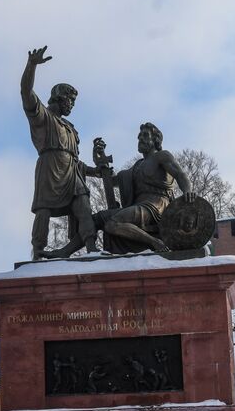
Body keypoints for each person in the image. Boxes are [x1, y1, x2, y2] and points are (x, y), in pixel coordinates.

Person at [21, 46, 100, 260]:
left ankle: (92, 247)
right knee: (43, 210)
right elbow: (26, 93)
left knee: (83, 204)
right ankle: (38, 252)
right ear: (58, 97)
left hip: (72, 173)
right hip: (50, 168)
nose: (72, 104)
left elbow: (78, 163)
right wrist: (32, 65)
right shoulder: (43, 117)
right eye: (70, 100)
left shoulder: (71, 129)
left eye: (74, 101)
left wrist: (97, 171)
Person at [96, 122, 196, 253]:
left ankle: (155, 242)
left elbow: (180, 174)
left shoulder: (162, 156)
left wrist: (187, 190)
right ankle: (75, 253)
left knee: (111, 224)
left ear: (155, 140)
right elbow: (113, 182)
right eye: (139, 136)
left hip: (156, 207)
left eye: (145, 135)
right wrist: (101, 165)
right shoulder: (137, 166)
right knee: (97, 218)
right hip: (139, 207)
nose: (140, 138)